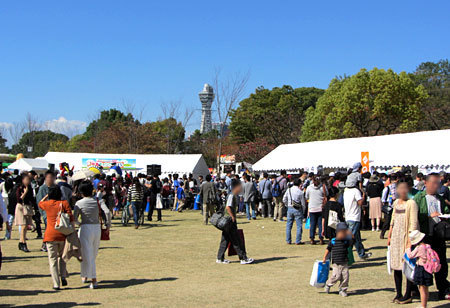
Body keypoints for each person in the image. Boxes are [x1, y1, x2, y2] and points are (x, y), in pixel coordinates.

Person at [414, 173, 450, 300]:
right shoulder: (419, 198)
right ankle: (420, 290)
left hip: (438, 235)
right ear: (426, 183)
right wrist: (429, 216)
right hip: (424, 236)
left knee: (441, 263)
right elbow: (415, 217)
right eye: (434, 182)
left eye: (438, 183)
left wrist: (444, 216)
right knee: (423, 265)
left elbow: (446, 211)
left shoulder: (440, 199)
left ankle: (443, 289)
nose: (436, 185)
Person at [386, 179, 419, 304]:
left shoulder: (411, 203)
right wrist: (389, 235)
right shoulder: (396, 203)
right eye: (400, 188)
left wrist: (410, 241)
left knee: (407, 267)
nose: (402, 191)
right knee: (396, 266)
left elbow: (413, 224)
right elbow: (392, 220)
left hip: (406, 238)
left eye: (404, 188)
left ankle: (408, 294)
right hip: (396, 238)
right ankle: (398, 293)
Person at [74, 181, 110, 289]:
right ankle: (85, 275)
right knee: (92, 254)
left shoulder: (79, 203)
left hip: (85, 228)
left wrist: (79, 224)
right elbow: (107, 212)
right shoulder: (98, 200)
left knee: (87, 254)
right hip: (97, 228)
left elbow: (74, 218)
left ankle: (93, 279)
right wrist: (108, 225)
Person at [39, 186, 75, 290]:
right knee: (62, 257)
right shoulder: (64, 203)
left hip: (50, 235)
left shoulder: (47, 204)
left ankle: (56, 283)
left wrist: (47, 196)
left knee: (52, 260)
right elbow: (71, 218)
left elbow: (40, 203)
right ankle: (63, 275)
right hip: (62, 234)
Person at [216, 179, 254, 265]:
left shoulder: (233, 195)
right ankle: (243, 258)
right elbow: (228, 207)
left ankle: (220, 258)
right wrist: (233, 217)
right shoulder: (231, 196)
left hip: (227, 221)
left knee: (225, 240)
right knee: (236, 240)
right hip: (229, 221)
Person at [406, 230, 435, 308]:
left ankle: (423, 305)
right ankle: (425, 304)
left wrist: (408, 248)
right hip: (428, 269)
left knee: (421, 289)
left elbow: (410, 255)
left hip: (421, 269)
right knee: (426, 289)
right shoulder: (428, 246)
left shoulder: (419, 248)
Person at [323, 222, 353, 297]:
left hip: (344, 262)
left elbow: (353, 241)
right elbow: (328, 249)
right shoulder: (333, 241)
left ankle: (343, 289)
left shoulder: (346, 241)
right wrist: (325, 257)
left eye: (345, 233)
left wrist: (351, 235)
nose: (343, 234)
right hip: (336, 263)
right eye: (342, 232)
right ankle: (328, 284)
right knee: (336, 276)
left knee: (345, 277)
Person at [343, 179, 371, 260]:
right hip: (354, 217)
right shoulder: (355, 191)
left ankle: (361, 254)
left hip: (348, 216)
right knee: (351, 237)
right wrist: (363, 196)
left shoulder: (346, 191)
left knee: (357, 237)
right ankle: (346, 256)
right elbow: (360, 202)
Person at [15, 174, 35, 252]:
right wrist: (25, 192)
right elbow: (19, 200)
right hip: (20, 207)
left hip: (27, 207)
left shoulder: (30, 188)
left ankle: (21, 242)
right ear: (22, 180)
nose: (28, 181)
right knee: (23, 226)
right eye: (27, 179)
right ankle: (23, 243)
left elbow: (32, 198)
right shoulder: (19, 188)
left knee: (26, 226)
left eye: (29, 180)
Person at [283, 178, 306, 245]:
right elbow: (303, 203)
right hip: (298, 209)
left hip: (290, 208)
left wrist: (287, 205)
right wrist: (303, 210)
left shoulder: (289, 190)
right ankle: (298, 240)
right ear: (299, 184)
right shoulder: (300, 192)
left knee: (289, 225)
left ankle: (288, 240)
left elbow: (284, 199)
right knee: (299, 225)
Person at [305, 176, 326, 245]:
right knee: (320, 224)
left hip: (312, 208)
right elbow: (327, 194)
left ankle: (312, 238)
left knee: (313, 224)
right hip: (320, 208)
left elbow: (306, 196)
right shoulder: (323, 187)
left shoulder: (309, 188)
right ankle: (321, 238)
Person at [380, 174, 398, 239]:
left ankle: (393, 234)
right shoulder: (387, 188)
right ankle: (382, 233)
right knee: (387, 221)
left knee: (394, 220)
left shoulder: (397, 188)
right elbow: (383, 198)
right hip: (389, 205)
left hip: (395, 205)